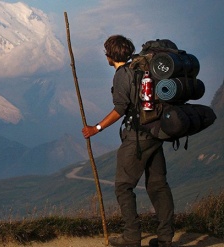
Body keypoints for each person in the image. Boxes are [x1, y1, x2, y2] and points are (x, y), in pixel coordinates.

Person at [82, 35, 174, 247]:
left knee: (123, 186)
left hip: (137, 137)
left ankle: (132, 236)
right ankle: (165, 238)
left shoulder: (122, 74)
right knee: (158, 185)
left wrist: (96, 128)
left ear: (110, 55)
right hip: (156, 133)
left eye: (106, 51)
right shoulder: (142, 68)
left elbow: (120, 109)